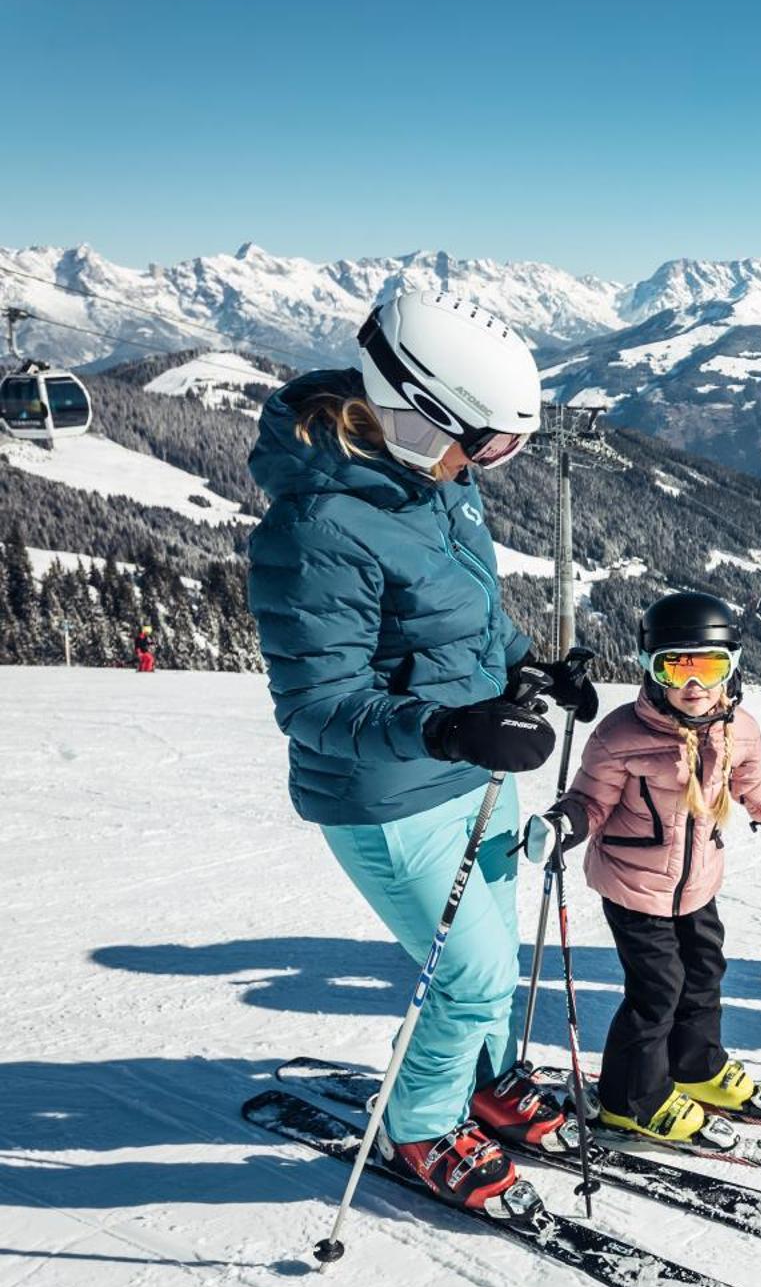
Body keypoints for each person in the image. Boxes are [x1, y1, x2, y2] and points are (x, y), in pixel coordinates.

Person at [246, 290, 598, 1218]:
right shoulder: (316, 526)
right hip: (387, 794)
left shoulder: (436, 481)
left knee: (495, 957)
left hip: (471, 775)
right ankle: (421, 1124)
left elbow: (469, 612)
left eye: (505, 446)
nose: (493, 463)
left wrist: (535, 668)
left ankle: (482, 1077)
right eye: (486, 443)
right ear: (416, 411)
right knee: (471, 970)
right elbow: (316, 703)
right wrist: (444, 727)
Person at [526, 591, 761, 1147]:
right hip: (633, 884)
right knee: (657, 989)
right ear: (651, 670)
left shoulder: (739, 730)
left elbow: (754, 789)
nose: (694, 684)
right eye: (675, 666)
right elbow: (591, 801)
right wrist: (563, 826)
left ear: (733, 668)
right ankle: (633, 1099)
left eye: (709, 666)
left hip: (698, 884)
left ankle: (696, 1068)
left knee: (703, 974)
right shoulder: (621, 735)